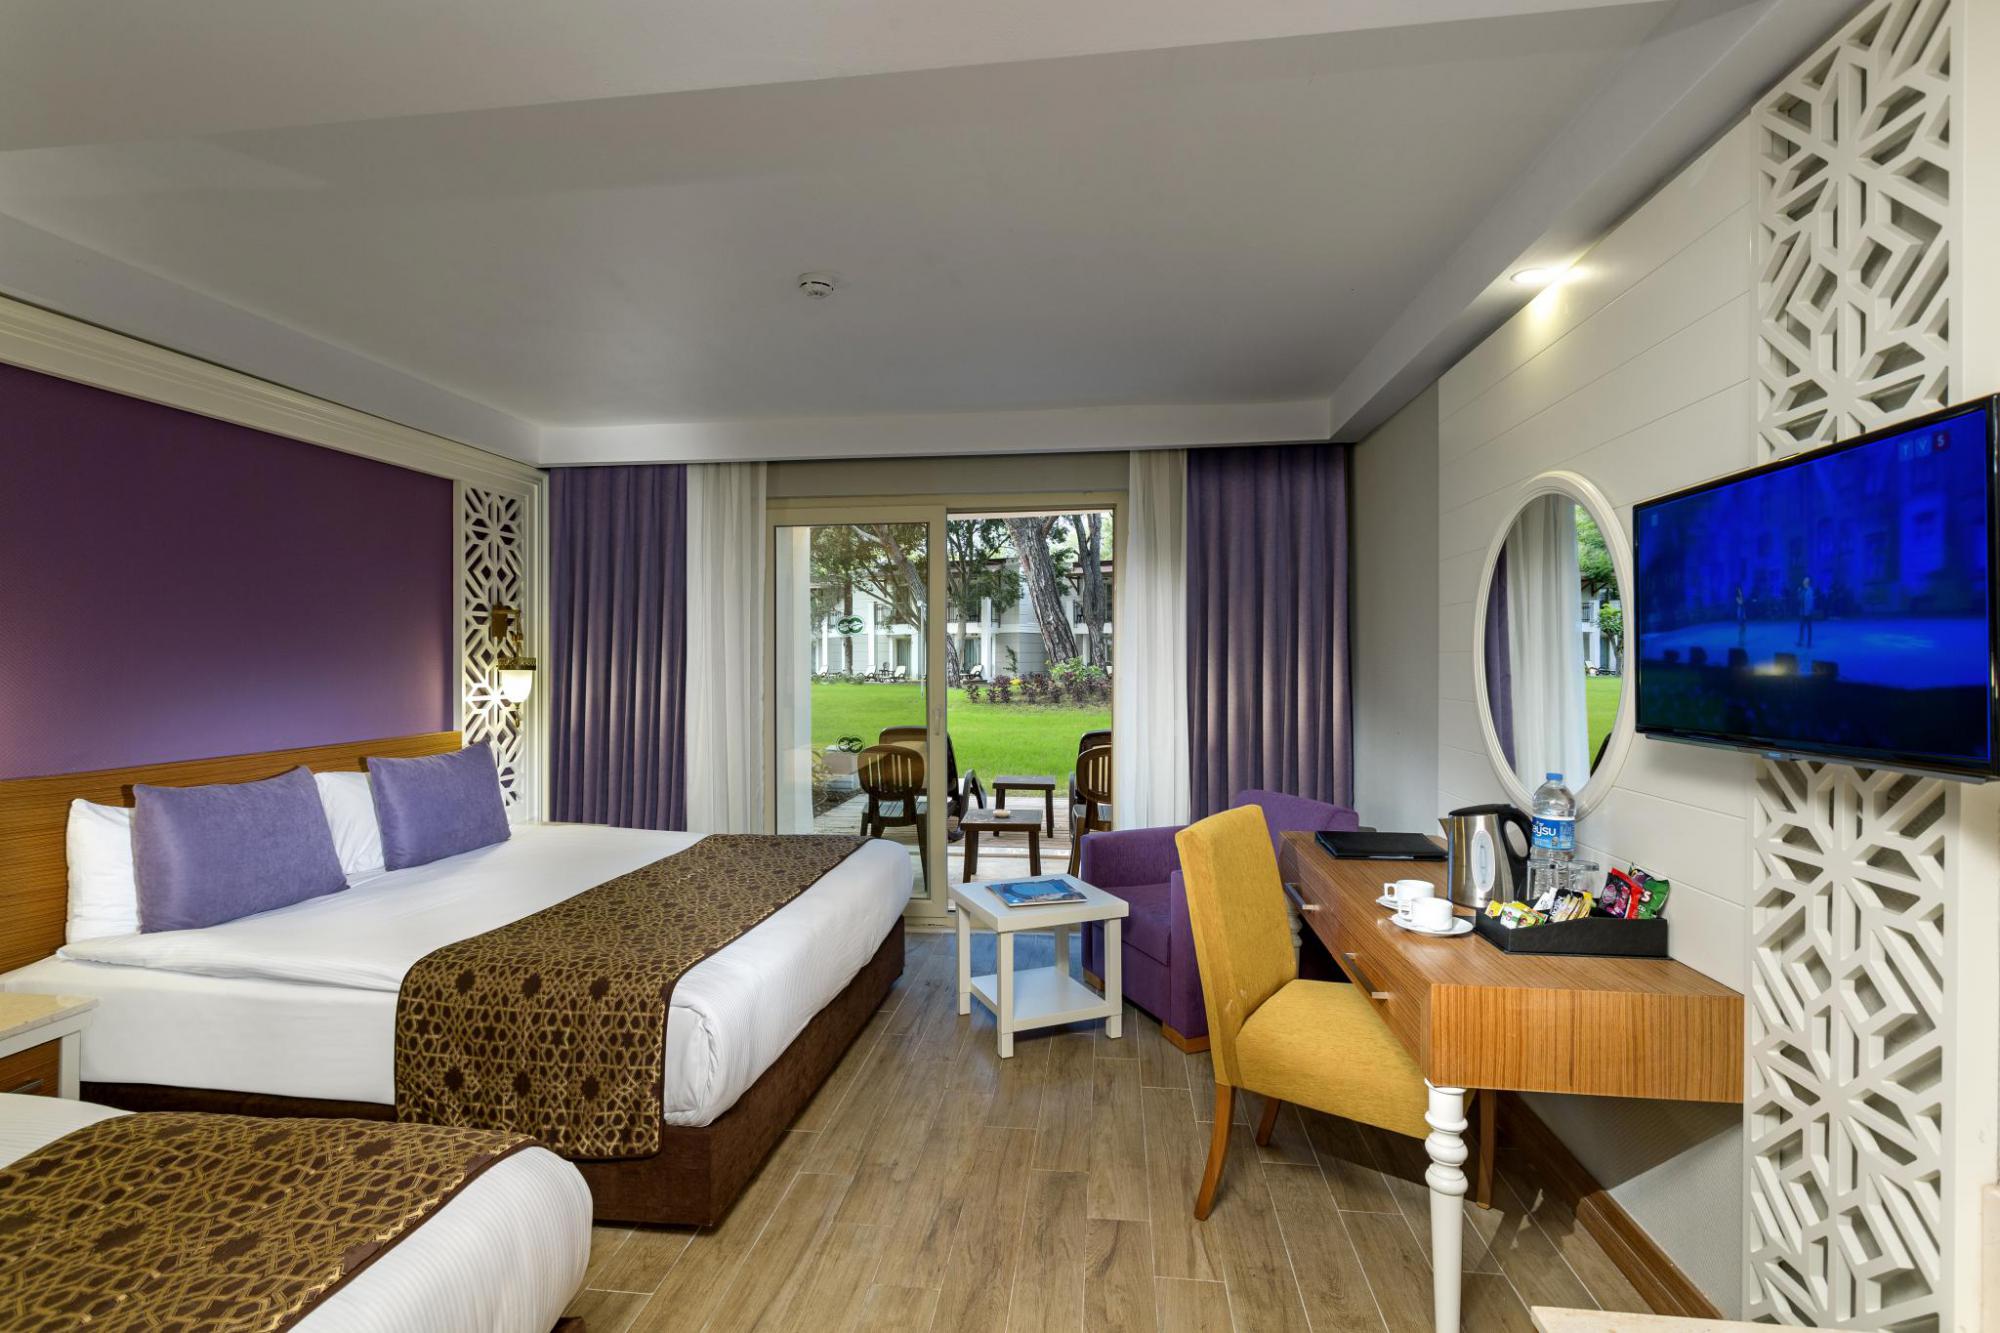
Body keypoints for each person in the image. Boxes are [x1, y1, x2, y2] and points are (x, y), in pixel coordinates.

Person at [1796, 575, 1815, 648]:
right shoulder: (1802, 590)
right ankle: (1800, 641)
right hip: (1802, 611)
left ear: (1808, 582)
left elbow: (1811, 602)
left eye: (1806, 580)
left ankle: (1809, 642)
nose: (1804, 582)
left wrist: (1809, 611)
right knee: (1801, 627)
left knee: (1809, 627)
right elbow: (1799, 600)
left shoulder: (1810, 591)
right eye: (1804, 580)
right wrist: (1798, 592)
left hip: (1808, 612)